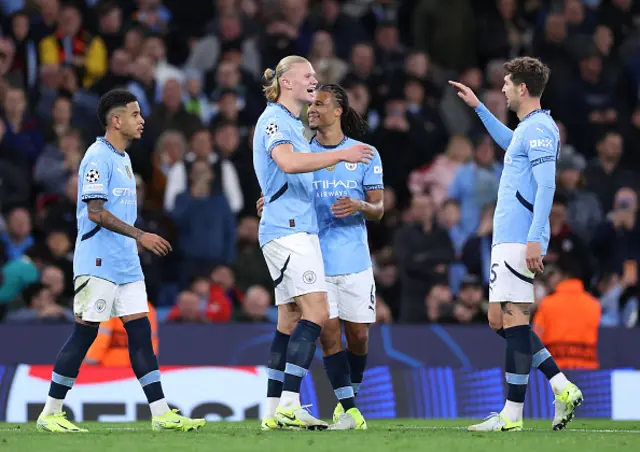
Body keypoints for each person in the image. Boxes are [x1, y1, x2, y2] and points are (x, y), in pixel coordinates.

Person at [36, 89, 205, 433]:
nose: (142, 121)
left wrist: (134, 244)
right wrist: (140, 235)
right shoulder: (97, 157)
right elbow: (95, 212)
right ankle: (50, 411)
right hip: (98, 260)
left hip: (126, 264)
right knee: (85, 334)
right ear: (116, 120)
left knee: (140, 334)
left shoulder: (125, 159)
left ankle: (160, 414)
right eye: (135, 114)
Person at [450, 57, 583, 432]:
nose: (503, 89)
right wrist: (478, 108)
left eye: (507, 83)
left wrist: (534, 239)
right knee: (500, 320)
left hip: (518, 239)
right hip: (507, 238)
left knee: (515, 318)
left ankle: (512, 414)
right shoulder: (528, 130)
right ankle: (561, 385)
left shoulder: (540, 128)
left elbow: (546, 186)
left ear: (523, 88)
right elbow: (511, 145)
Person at [253, 56, 373, 430]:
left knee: (289, 318)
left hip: (288, 226)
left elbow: (284, 172)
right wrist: (342, 154)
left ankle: (273, 411)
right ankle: (290, 403)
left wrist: (269, 195)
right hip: (289, 231)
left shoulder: (291, 123)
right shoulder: (275, 118)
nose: (314, 80)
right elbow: (287, 163)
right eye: (307, 76)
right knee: (318, 314)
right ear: (286, 82)